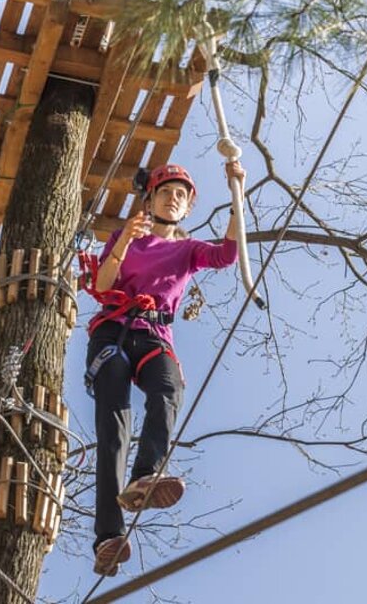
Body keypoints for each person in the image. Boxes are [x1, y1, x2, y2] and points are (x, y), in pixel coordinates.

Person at [85, 161, 246, 576]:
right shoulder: (128, 238)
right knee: (113, 428)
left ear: (188, 207)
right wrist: (123, 243)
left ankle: (147, 474)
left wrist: (236, 195)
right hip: (113, 333)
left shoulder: (187, 250)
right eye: (165, 192)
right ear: (150, 199)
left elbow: (227, 254)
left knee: (169, 387)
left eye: (180, 195)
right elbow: (103, 286)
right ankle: (108, 536)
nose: (172, 199)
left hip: (155, 337)